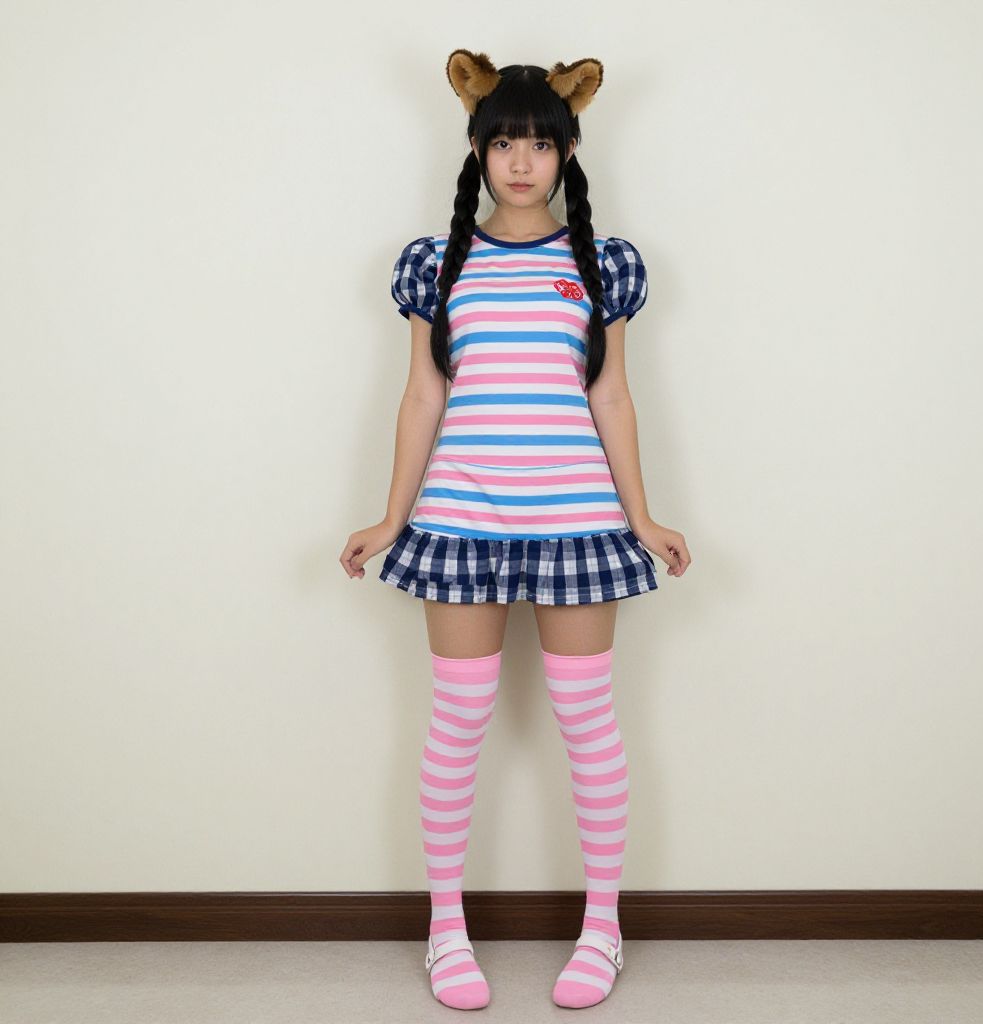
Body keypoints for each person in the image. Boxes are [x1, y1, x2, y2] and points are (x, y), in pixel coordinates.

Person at [340, 48, 691, 1011]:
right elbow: (423, 395)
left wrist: (642, 516)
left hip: (578, 523)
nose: (523, 161)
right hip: (460, 521)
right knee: (457, 719)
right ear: (477, 149)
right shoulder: (437, 262)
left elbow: (612, 396)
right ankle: (445, 931)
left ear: (569, 149)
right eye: (505, 143)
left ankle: (602, 930)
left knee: (587, 718)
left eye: (541, 142)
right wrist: (392, 516)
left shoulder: (602, 263)